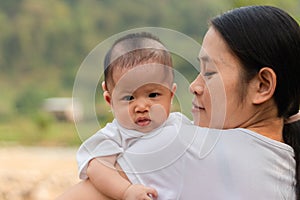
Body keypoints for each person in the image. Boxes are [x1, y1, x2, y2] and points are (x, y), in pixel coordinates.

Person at [57, 5, 300, 200]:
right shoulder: (287, 163)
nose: (194, 86)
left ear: (263, 85)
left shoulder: (181, 146)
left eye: (210, 72)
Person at [75, 32, 192, 200]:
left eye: (153, 95)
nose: (142, 107)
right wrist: (126, 191)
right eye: (129, 98)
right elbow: (97, 168)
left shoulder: (180, 124)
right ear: (110, 100)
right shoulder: (114, 136)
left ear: (171, 94)